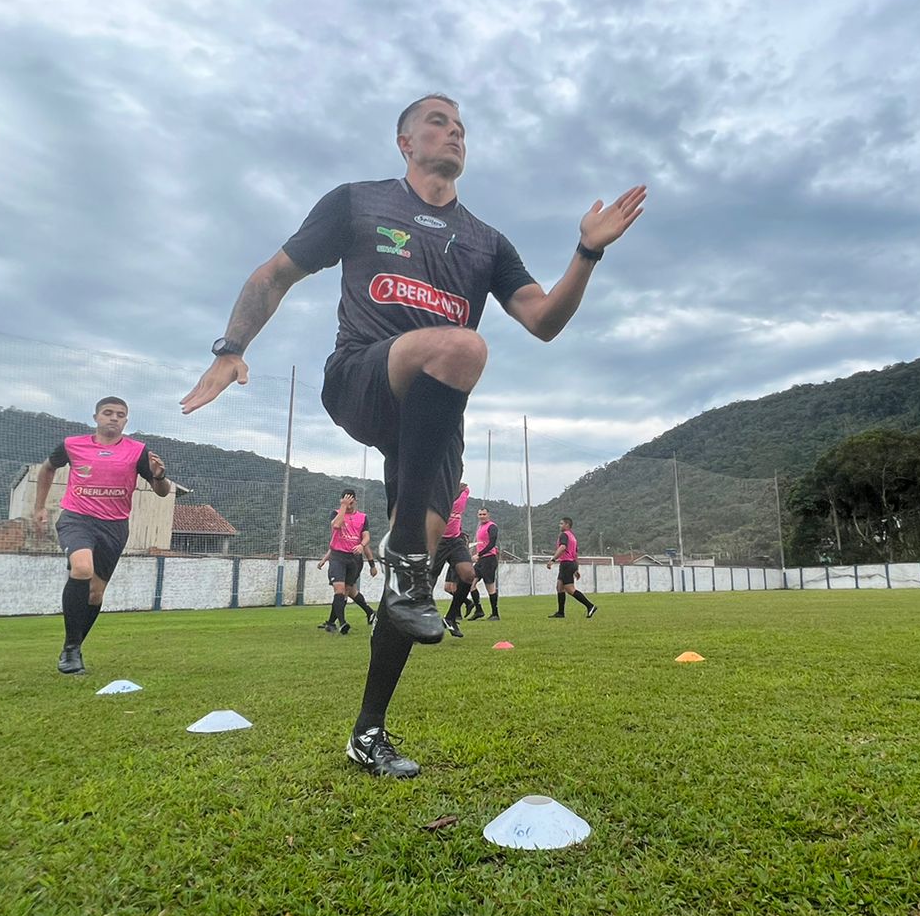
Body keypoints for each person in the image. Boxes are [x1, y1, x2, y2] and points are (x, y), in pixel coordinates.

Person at [181, 94, 645, 777]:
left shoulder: (486, 241)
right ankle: (404, 562)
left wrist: (586, 252)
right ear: (404, 141)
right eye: (437, 121)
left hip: (433, 418)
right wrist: (230, 348)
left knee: (413, 569)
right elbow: (273, 275)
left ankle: (368, 730)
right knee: (462, 345)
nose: (454, 131)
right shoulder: (357, 203)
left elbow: (544, 320)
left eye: (461, 127)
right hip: (363, 377)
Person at [32, 397, 171, 675]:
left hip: (114, 526)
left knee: (95, 594)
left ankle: (73, 647)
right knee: (82, 568)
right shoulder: (73, 445)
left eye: (120, 414)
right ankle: (71, 651)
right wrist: (39, 507)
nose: (114, 418)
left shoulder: (138, 451)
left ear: (126, 421)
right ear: (96, 417)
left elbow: (162, 492)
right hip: (77, 519)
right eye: (108, 413)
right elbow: (47, 468)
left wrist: (159, 476)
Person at [315, 488, 378, 633]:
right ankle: (342, 623)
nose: (349, 505)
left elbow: (366, 538)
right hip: (338, 557)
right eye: (346, 502)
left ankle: (333, 622)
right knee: (340, 589)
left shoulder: (362, 517)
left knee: (348, 591)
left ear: (355, 501)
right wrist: (343, 507)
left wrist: (369, 560)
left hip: (354, 559)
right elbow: (336, 527)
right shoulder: (336, 513)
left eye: (351, 502)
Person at [431, 482, 476, 637]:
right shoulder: (436, 490)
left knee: (469, 575)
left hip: (455, 540)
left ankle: (451, 617)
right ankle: (418, 624)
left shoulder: (465, 491)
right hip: (436, 541)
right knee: (427, 583)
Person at [547, 516, 597, 619]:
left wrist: (553, 559)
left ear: (567, 525)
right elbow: (575, 554)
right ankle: (561, 613)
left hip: (566, 563)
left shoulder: (564, 535)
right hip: (570, 563)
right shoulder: (573, 537)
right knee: (559, 587)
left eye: (561, 523)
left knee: (570, 589)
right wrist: (576, 568)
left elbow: (562, 547)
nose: (560, 525)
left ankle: (590, 606)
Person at [469, 506, 500, 621]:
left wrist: (479, 554)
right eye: (480, 514)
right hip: (481, 560)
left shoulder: (492, 526)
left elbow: (491, 544)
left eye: (484, 514)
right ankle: (479, 610)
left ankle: (495, 614)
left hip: (489, 559)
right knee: (471, 584)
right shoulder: (480, 527)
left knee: (490, 587)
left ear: (488, 515)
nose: (482, 516)